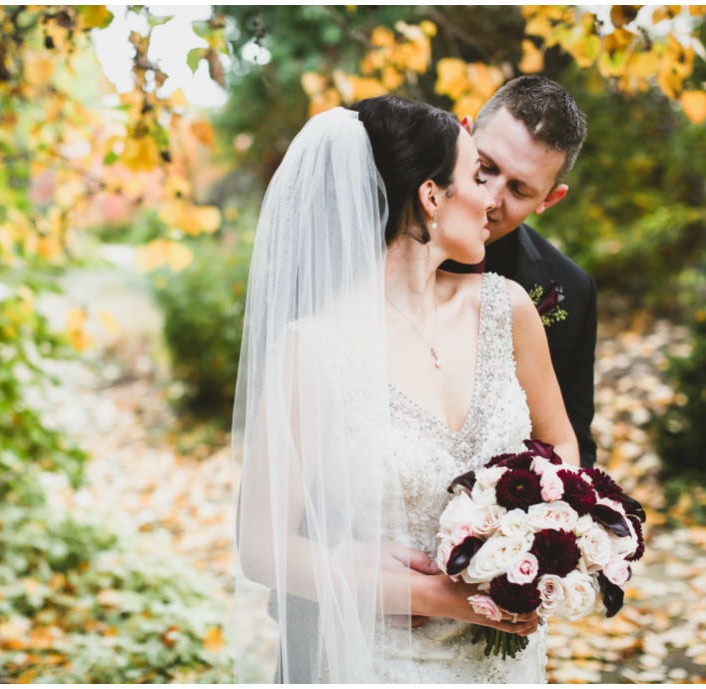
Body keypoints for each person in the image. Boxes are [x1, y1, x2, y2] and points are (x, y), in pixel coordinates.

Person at [233, 97, 578, 683]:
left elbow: (562, 446)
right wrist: (440, 598)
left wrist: (535, 536)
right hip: (384, 661)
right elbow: (262, 548)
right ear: (431, 196)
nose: (492, 200)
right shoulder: (313, 349)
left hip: (509, 665)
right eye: (477, 176)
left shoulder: (507, 308)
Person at [442, 75, 598, 469]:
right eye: (486, 167)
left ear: (550, 199)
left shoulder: (572, 291)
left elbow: (572, 441)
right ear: (463, 135)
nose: (490, 198)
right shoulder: (375, 242)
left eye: (520, 190)